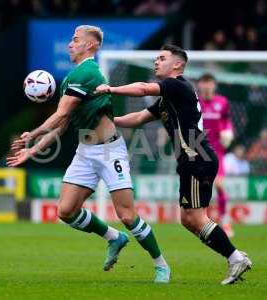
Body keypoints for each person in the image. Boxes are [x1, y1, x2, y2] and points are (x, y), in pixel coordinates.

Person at [7, 25, 170, 283]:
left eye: (75, 40)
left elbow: (60, 114)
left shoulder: (87, 72)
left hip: (110, 152)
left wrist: (33, 133)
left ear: (90, 46)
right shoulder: (72, 78)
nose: (70, 44)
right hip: (86, 150)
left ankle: (161, 265)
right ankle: (113, 238)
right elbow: (62, 125)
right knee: (66, 210)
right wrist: (33, 150)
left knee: (127, 215)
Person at [95, 44, 252, 285]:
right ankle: (234, 256)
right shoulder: (169, 97)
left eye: (161, 58)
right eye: (156, 58)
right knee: (188, 219)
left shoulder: (177, 85)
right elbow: (138, 118)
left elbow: (144, 88)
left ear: (177, 65)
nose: (156, 62)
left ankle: (235, 257)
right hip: (192, 159)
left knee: (196, 218)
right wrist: (109, 120)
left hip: (196, 158)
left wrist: (111, 89)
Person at [197, 74, 235, 237]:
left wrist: (228, 131)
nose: (206, 86)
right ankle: (202, 221)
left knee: (219, 184)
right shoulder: (195, 102)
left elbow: (227, 120)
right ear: (199, 85)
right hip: (198, 150)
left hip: (217, 151)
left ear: (214, 85)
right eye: (203, 83)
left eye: (209, 83)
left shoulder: (222, 102)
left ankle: (225, 221)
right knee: (200, 187)